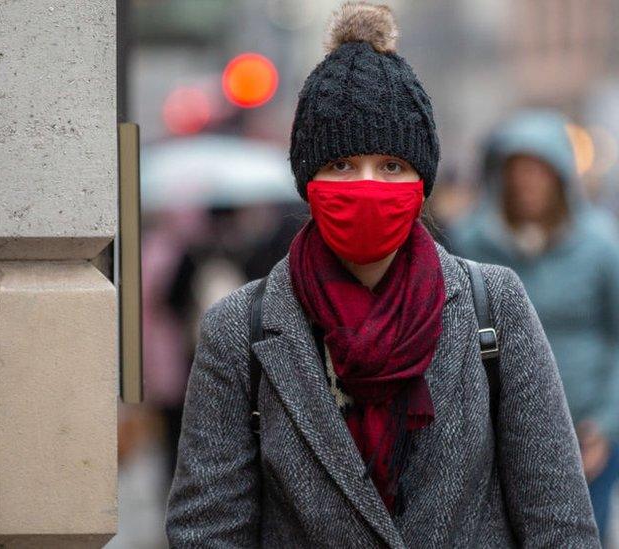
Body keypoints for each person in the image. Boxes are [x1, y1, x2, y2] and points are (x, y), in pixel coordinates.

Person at [164, 3, 599, 547]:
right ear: (307, 178)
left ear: (422, 180)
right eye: (342, 165)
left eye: (391, 166)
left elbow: (557, 520)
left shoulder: (494, 307)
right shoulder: (239, 330)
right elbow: (207, 531)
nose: (367, 184)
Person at [450, 109, 619, 543]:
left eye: (538, 170)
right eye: (517, 170)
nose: (527, 182)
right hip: (496, 429)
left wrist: (606, 422)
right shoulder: (471, 243)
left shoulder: (599, 245)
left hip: (585, 433)